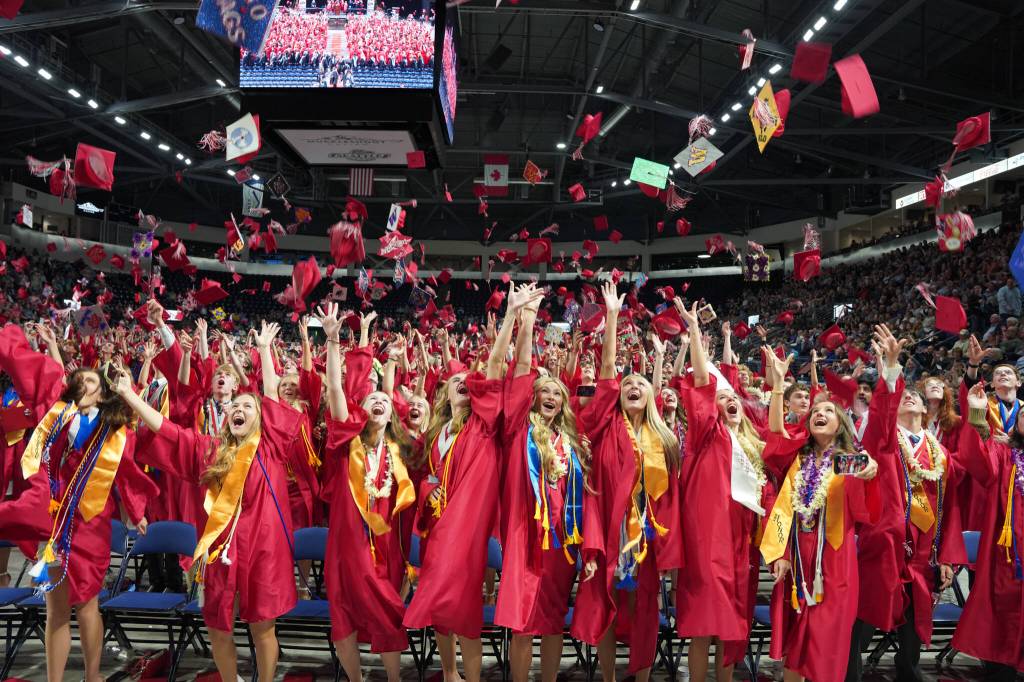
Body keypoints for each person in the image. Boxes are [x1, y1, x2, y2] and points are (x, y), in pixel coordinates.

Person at [117, 321, 302, 682]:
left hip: (264, 550)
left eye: (249, 406)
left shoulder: (271, 447)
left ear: (262, 418)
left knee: (263, 628)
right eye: (236, 405)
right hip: (221, 552)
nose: (240, 408)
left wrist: (264, 351)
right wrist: (131, 397)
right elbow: (169, 432)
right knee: (218, 626)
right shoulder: (210, 450)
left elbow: (273, 397)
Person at [0, 323, 155, 682]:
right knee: (56, 608)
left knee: (87, 604)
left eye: (92, 383)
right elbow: (43, 378)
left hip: (92, 523)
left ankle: (92, 675)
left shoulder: (116, 433)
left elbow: (127, 474)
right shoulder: (55, 420)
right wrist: (45, 346)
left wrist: (137, 511)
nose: (84, 386)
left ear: (102, 395)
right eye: (80, 381)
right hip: (58, 522)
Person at [403, 283, 542, 682]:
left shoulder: (483, 423)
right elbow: (424, 478)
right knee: (444, 607)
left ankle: (471, 677)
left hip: (468, 525)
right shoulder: (436, 433)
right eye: (455, 379)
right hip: (437, 523)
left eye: (469, 378)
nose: (464, 381)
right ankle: (450, 675)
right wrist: (431, 493)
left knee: (461, 606)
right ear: (444, 391)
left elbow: (497, 370)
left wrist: (513, 315)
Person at [570, 282, 681, 682]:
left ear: (652, 396)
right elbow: (605, 377)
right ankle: (609, 676)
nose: (633, 387)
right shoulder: (604, 424)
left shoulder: (664, 437)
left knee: (643, 605)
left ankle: (643, 674)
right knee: (605, 599)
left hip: (648, 534)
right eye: (628, 385)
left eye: (642, 385)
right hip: (609, 527)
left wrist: (670, 551)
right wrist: (613, 317)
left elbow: (670, 498)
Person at [847, 325, 966, 682]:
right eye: (905, 397)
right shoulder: (884, 443)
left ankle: (907, 672)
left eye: (915, 396)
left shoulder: (940, 453)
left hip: (923, 556)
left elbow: (953, 506)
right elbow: (881, 416)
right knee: (864, 625)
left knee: (913, 636)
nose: (911, 398)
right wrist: (891, 368)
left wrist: (947, 557)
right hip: (885, 548)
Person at [759, 343, 880, 682]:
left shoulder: (847, 459)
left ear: (840, 421)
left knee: (826, 644)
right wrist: (779, 386)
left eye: (827, 410)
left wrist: (869, 470)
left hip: (835, 562)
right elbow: (776, 437)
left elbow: (868, 474)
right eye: (814, 412)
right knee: (797, 644)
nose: (819, 414)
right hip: (798, 558)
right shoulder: (800, 460)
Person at [317, 302, 420, 682]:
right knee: (343, 614)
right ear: (360, 410)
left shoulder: (401, 452)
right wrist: (331, 341)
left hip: (387, 547)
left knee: (387, 613)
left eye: (385, 401)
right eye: (371, 399)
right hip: (346, 545)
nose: (379, 400)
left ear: (392, 413)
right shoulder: (346, 445)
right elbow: (334, 391)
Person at [497, 288, 589, 682]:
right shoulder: (519, 430)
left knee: (552, 620)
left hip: (561, 544)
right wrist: (527, 317)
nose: (550, 396)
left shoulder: (570, 443)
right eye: (544, 392)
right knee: (522, 622)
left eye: (557, 393)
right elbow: (519, 371)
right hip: (525, 536)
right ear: (532, 400)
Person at [674, 297, 767, 682]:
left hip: (741, 543)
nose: (728, 401)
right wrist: (694, 331)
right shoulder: (703, 435)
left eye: (734, 398)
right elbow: (699, 383)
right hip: (707, 542)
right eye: (721, 398)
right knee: (702, 625)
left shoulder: (753, 445)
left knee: (731, 625)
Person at [955, 382, 1024, 681]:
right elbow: (977, 460)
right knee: (1006, 613)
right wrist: (977, 414)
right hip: (1009, 555)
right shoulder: (1004, 455)